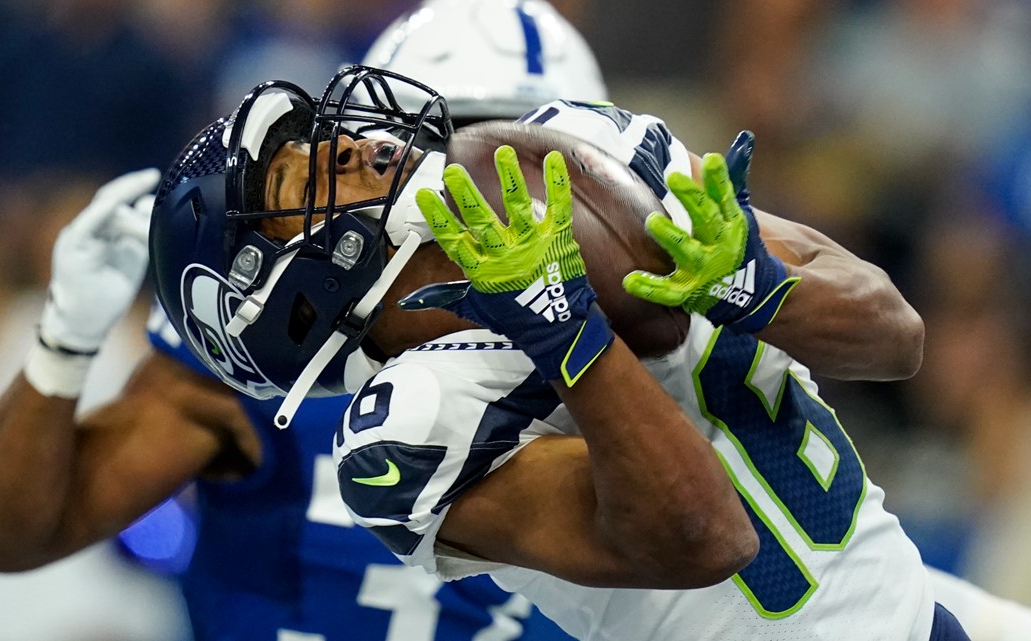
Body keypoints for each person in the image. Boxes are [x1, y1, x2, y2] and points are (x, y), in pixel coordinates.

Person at [140, 63, 966, 639]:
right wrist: (570, 337)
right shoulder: (404, 430)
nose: (345, 146)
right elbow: (707, 538)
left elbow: (898, 338)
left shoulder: (573, 156)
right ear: (272, 301)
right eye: (298, 178)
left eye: (321, 135)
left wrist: (756, 285)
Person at [0, 2, 609, 640]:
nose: (477, 174)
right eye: (455, 137)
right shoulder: (269, 341)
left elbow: (685, 541)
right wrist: (64, 342)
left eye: (520, 149)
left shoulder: (610, 325)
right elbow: (12, 535)